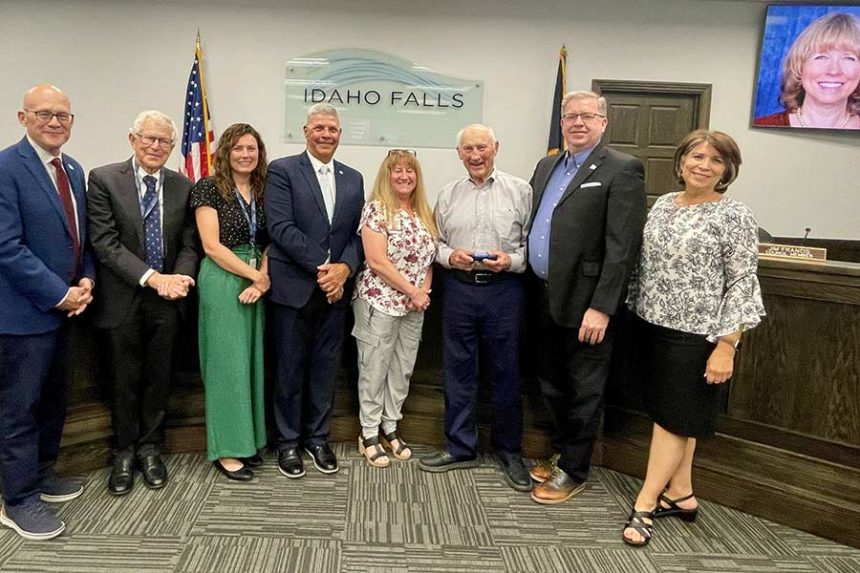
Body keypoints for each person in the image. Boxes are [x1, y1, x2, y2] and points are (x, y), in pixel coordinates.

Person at [621, 130, 765, 547]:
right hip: (652, 325)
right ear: (681, 161)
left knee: (671, 421)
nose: (703, 165)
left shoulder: (734, 214)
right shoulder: (664, 205)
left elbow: (741, 281)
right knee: (673, 417)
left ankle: (646, 503)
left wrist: (727, 345)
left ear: (727, 170)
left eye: (715, 160)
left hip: (697, 335)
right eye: (696, 156)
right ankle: (681, 494)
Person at [527, 91, 646, 504]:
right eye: (570, 116)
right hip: (542, 295)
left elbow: (622, 247)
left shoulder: (622, 169)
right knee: (552, 382)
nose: (578, 123)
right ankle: (561, 453)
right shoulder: (547, 165)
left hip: (587, 303)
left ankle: (574, 470)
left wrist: (602, 307)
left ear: (603, 122)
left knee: (583, 387)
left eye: (587, 116)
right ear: (561, 122)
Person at [0, 84, 94, 541]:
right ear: (23, 118)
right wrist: (60, 293)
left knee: (55, 399)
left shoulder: (72, 169)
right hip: (22, 314)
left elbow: (80, 239)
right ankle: (17, 499)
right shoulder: (5, 167)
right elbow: (7, 248)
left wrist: (87, 281)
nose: (55, 122)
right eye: (44, 114)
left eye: (63, 114)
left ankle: (40, 474)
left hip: (66, 310)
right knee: (20, 409)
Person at [418, 124, 533, 492]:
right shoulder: (448, 194)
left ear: (495, 148)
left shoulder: (521, 191)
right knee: (458, 372)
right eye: (468, 149)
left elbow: (536, 246)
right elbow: (433, 244)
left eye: (482, 147)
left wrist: (511, 261)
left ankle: (509, 451)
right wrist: (451, 256)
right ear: (460, 154)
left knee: (506, 373)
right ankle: (460, 447)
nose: (476, 155)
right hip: (460, 291)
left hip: (505, 292)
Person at [88, 110, 198, 496]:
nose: (156, 147)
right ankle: (122, 452)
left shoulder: (184, 186)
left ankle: (151, 449)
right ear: (132, 140)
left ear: (171, 146)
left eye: (164, 141)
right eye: (148, 139)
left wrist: (181, 278)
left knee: (158, 379)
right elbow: (105, 244)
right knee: (122, 380)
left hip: (168, 302)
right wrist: (154, 279)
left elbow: (189, 243)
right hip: (123, 298)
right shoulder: (103, 179)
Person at [266, 103, 364, 478]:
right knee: (289, 370)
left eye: (333, 129)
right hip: (293, 290)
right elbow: (280, 227)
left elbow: (358, 233)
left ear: (340, 134)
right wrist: (325, 269)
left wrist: (345, 269)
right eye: (319, 128)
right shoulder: (283, 170)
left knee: (325, 370)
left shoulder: (353, 178)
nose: (326, 134)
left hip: (336, 293)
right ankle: (288, 442)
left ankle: (317, 438)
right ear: (305, 131)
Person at [190, 124, 270, 481]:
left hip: (257, 277)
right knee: (227, 366)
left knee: (250, 363)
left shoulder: (264, 188)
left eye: (251, 148)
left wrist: (263, 276)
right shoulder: (209, 188)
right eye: (238, 148)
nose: (245, 155)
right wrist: (255, 277)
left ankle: (248, 442)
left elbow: (270, 241)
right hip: (223, 278)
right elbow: (211, 245)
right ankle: (226, 448)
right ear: (225, 151)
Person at [352, 150, 437, 467]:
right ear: (386, 176)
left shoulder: (422, 212)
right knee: (375, 370)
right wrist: (413, 290)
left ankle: (390, 427)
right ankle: (369, 432)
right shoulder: (376, 209)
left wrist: (423, 291)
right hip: (379, 302)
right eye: (397, 171)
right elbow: (377, 262)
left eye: (410, 171)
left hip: (414, 306)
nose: (404, 176)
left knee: (401, 370)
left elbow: (429, 259)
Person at [754, 12, 860, 129]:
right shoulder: (763, 125)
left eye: (849, 58)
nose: (834, 70)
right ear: (799, 67)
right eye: (821, 57)